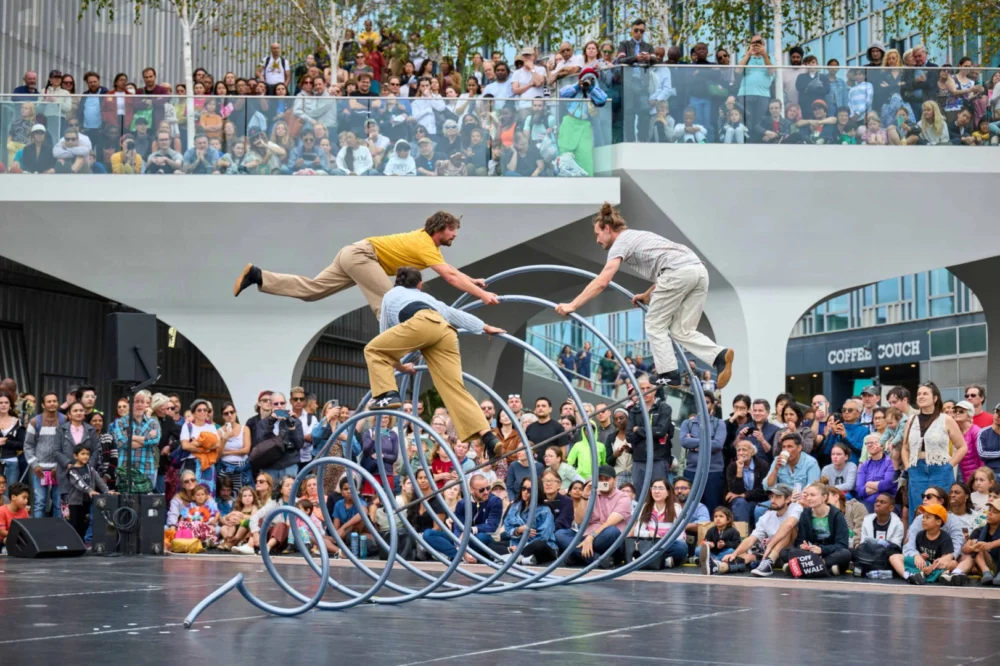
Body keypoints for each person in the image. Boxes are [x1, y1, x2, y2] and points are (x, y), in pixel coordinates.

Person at [555, 204, 733, 388]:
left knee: (655, 324)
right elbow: (668, 267)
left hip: (677, 273)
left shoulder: (621, 243)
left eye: (597, 234)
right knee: (682, 330)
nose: (597, 240)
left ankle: (668, 373)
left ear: (607, 228)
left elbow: (602, 281)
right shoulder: (639, 236)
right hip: (698, 271)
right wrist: (648, 294)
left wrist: (573, 305)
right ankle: (719, 356)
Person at [234, 212, 498, 319]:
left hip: (354, 254)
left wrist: (472, 281)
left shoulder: (427, 243)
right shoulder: (425, 244)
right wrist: (483, 295)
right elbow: (450, 276)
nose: (456, 235)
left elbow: (450, 270)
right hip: (362, 256)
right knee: (388, 303)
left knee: (312, 291)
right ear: (440, 229)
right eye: (453, 230)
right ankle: (395, 351)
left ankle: (258, 276)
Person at [363, 267, 502, 453]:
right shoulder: (429, 299)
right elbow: (455, 315)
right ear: (419, 285)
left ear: (398, 282)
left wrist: (399, 366)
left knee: (372, 349)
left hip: (420, 324)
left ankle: (388, 394)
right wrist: (485, 327)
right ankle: (488, 436)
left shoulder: (390, 295)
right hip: (445, 331)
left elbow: (385, 339)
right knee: (454, 389)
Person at [903, 383, 966, 523]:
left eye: (925, 393)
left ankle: (943, 542)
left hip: (940, 469)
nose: (921, 396)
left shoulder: (946, 419)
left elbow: (962, 447)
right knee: (918, 508)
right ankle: (917, 542)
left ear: (935, 397)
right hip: (916, 469)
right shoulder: (911, 420)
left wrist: (949, 466)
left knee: (942, 509)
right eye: (919, 394)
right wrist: (907, 466)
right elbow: (905, 448)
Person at [710, 484, 800, 575]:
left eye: (778, 497)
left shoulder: (795, 508)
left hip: (792, 553)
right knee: (747, 557)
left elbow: (788, 525)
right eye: (772, 497)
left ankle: (770, 561)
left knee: (788, 529)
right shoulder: (766, 517)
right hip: (770, 555)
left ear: (788, 499)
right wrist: (735, 554)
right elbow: (751, 539)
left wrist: (770, 545)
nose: (772, 500)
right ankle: (718, 567)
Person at [557, 465, 631, 566]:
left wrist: (591, 537)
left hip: (608, 540)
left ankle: (577, 555)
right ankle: (597, 559)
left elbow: (610, 523)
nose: (603, 482)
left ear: (615, 480)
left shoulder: (623, 497)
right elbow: (579, 520)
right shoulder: (592, 494)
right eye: (600, 480)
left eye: (606, 479)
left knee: (612, 531)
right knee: (560, 534)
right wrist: (584, 495)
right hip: (586, 537)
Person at [423, 474, 502, 563]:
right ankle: (460, 556)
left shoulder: (495, 501)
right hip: (463, 539)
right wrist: (461, 550)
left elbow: (492, 526)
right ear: (471, 490)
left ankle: (465, 556)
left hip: (481, 538)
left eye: (488, 488)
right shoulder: (463, 503)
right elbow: (458, 528)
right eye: (481, 490)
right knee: (428, 534)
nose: (486, 492)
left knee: (482, 537)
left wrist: (470, 530)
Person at [23, 392, 69, 517]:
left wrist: (59, 466)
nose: (52, 403)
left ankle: (58, 532)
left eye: (54, 401)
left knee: (59, 503)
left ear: (58, 403)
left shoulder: (64, 420)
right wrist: (35, 465)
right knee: (39, 503)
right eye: (49, 401)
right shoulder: (35, 421)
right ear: (43, 405)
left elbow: (67, 445)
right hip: (40, 469)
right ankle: (38, 534)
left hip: (58, 468)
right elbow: (28, 446)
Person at [680, 390, 727, 512]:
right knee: (691, 508)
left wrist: (694, 444)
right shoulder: (688, 423)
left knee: (713, 507)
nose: (703, 405)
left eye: (706, 402)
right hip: (692, 471)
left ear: (712, 404)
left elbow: (717, 444)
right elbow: (684, 441)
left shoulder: (719, 423)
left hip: (713, 472)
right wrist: (706, 442)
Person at [626, 374, 674, 492]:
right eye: (642, 389)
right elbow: (629, 437)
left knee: (659, 493)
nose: (645, 391)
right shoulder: (634, 410)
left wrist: (638, 430)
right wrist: (652, 433)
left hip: (658, 459)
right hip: (638, 459)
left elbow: (661, 431)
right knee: (638, 495)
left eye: (648, 388)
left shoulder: (664, 408)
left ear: (655, 389)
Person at [626, 477, 688, 568]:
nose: (656, 491)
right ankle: (663, 562)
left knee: (681, 547)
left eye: (660, 488)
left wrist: (662, 540)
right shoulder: (645, 507)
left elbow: (679, 535)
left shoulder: (676, 508)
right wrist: (650, 534)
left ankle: (651, 561)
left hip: (667, 545)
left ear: (668, 492)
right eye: (654, 488)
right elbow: (637, 531)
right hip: (650, 544)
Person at [759, 432, 820, 523]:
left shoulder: (810, 463)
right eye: (784, 447)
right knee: (759, 510)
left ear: (799, 448)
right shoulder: (777, 460)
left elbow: (813, 487)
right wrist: (776, 469)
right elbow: (767, 487)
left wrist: (795, 499)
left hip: (801, 500)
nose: (786, 450)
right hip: (780, 499)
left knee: (795, 511)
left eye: (789, 447)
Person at [890, 504, 957, 585]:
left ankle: (940, 576)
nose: (923, 520)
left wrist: (931, 568)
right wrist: (919, 556)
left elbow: (945, 559)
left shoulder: (945, 537)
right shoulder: (920, 534)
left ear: (938, 522)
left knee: (953, 563)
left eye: (927, 517)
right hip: (922, 566)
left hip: (936, 567)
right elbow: (918, 554)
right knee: (894, 557)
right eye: (923, 517)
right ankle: (909, 576)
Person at [502, 478, 558, 565]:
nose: (525, 492)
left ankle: (511, 557)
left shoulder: (545, 510)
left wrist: (520, 547)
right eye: (523, 488)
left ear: (537, 491)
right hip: (516, 543)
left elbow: (543, 537)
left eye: (529, 490)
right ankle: (522, 559)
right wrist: (518, 530)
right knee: (492, 545)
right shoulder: (514, 507)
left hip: (539, 545)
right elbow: (507, 529)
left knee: (538, 545)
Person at [66, 444, 112, 539]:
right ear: (75, 456)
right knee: (75, 523)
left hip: (87, 501)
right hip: (75, 502)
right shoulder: (72, 470)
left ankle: (82, 543)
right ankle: (74, 544)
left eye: (87, 454)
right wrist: (90, 490)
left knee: (85, 522)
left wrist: (107, 491)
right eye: (83, 454)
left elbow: (98, 480)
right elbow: (79, 482)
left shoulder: (89, 468)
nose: (86, 456)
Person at [854, 492, 904, 576]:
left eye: (882, 502)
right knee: (849, 552)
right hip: (869, 553)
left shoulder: (897, 524)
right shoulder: (867, 520)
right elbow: (864, 543)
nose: (877, 504)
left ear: (891, 508)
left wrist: (876, 546)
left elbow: (895, 547)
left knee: (894, 556)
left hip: (886, 557)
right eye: (876, 501)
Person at [953, 497, 1000, 585]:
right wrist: (973, 547)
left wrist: (990, 545)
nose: (989, 513)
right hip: (988, 565)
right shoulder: (979, 530)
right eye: (989, 510)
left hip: (997, 562)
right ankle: (986, 572)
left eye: (995, 512)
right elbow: (965, 549)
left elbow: (991, 545)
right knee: (976, 543)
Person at [725, 440, 769, 526]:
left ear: (752, 452)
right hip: (740, 501)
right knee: (740, 503)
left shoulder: (762, 465)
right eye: (738, 450)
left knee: (755, 506)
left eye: (744, 450)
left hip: (759, 500)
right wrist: (739, 471)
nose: (740, 453)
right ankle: (743, 535)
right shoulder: (732, 467)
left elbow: (764, 489)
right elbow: (735, 491)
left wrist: (744, 495)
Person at [855, 434, 896, 511]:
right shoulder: (864, 465)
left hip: (887, 500)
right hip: (867, 501)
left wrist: (868, 484)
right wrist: (879, 487)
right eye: (868, 443)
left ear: (882, 445)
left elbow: (887, 484)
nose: (870, 445)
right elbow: (859, 490)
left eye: (874, 442)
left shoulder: (890, 462)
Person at [698, 506, 742, 573]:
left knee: (731, 551)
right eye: (716, 516)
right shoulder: (711, 530)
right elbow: (705, 542)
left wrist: (725, 544)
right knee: (698, 549)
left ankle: (713, 561)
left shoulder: (733, 531)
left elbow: (737, 544)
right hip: (713, 553)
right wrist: (709, 545)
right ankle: (712, 561)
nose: (718, 519)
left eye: (721, 516)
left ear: (728, 520)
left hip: (725, 553)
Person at [0, 482, 30, 551]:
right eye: (24, 498)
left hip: (18, 538)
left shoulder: (24, 512)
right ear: (13, 497)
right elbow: (1, 531)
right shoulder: (1, 511)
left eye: (27, 498)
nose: (26, 501)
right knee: (6, 539)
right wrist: (17, 536)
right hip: (3, 539)